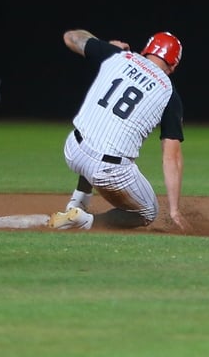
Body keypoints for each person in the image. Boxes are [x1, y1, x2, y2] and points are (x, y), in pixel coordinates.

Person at [48, 29, 190, 232]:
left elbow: (70, 37)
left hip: (73, 150)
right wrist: (175, 210)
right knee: (148, 212)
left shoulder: (115, 55)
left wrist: (102, 43)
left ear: (145, 50)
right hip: (108, 171)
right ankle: (85, 221)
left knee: (98, 133)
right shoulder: (169, 95)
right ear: (174, 65)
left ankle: (77, 203)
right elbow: (171, 158)